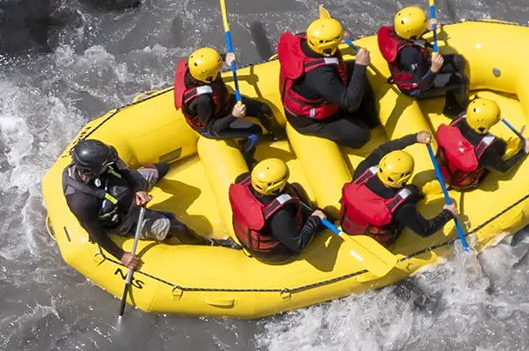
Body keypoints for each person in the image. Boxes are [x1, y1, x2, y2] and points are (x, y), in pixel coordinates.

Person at [60, 139, 230, 268]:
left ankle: (141, 191)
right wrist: (121, 256)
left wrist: (137, 188)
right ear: (91, 171)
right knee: (177, 227)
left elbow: (120, 167)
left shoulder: (101, 160)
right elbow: (95, 232)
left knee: (161, 168)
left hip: (126, 187)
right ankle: (210, 245)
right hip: (122, 218)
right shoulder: (81, 202)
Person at [278, 11, 379, 148]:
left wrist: (340, 39)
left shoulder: (302, 39)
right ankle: (360, 123)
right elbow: (350, 102)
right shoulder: (321, 76)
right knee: (362, 135)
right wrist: (361, 66)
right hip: (310, 121)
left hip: (316, 93)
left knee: (352, 70)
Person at [340, 133, 455, 245]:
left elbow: (383, 149)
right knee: (412, 191)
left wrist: (414, 138)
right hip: (375, 237)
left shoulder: (364, 170)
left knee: (411, 191)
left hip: (348, 224)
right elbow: (426, 230)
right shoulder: (402, 206)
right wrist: (448, 213)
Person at [174, 46, 275, 153]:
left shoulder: (195, 69)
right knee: (255, 131)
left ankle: (273, 131)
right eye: (218, 70)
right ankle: (247, 155)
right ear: (208, 77)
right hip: (212, 125)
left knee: (263, 109)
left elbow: (208, 61)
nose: (220, 71)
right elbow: (213, 127)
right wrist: (234, 115)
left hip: (222, 103)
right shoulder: (203, 100)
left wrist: (224, 57)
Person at [229, 158, 330, 259]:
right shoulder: (280, 215)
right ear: (275, 189)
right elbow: (299, 244)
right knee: (300, 194)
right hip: (276, 254)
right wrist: (315, 219)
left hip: (246, 239)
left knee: (295, 188)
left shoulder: (242, 179)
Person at [376, 5, 467, 114]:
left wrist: (425, 28)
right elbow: (422, 85)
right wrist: (434, 68)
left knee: (458, 60)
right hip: (417, 87)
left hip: (421, 67)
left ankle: (451, 92)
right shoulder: (411, 54)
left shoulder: (395, 31)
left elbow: (409, 36)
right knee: (461, 80)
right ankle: (453, 109)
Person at [434, 94, 529, 189]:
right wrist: (524, 151)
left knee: (495, 145)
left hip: (444, 169)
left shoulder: (459, 118)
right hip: (460, 180)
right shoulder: (486, 149)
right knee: (500, 146)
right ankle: (468, 184)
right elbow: (503, 168)